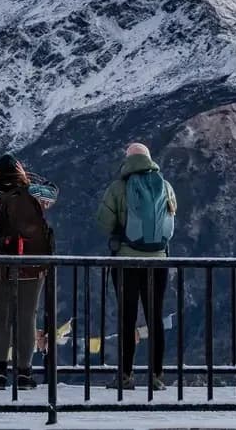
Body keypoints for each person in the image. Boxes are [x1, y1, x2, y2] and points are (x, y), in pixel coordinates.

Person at [94, 142, 177, 392]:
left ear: (127, 160)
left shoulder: (118, 187)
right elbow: (170, 223)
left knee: (127, 319)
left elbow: (104, 223)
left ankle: (126, 375)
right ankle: (156, 376)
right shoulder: (165, 185)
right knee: (155, 317)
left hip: (126, 262)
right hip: (158, 261)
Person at [0, 153, 55, 390]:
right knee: (27, 316)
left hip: (0, 260)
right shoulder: (34, 193)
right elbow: (53, 191)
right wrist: (27, 179)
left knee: (3, 315)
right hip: (33, 261)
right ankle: (24, 373)